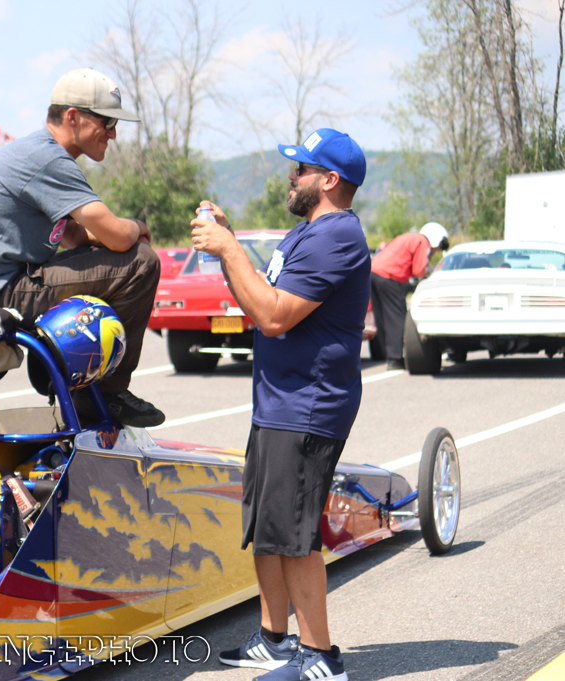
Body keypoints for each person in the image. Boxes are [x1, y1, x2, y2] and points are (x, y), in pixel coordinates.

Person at [192, 128, 371, 681]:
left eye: (301, 169)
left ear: (329, 180)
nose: (291, 176)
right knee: (269, 529)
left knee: (294, 536)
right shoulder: (304, 235)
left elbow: (273, 316)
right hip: (278, 404)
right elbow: (256, 299)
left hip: (308, 408)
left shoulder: (336, 236)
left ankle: (321, 660)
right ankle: (274, 640)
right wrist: (229, 245)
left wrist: (227, 248)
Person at [0, 67, 163, 427]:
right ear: (73, 117)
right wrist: (138, 227)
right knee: (141, 261)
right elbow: (120, 238)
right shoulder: (48, 159)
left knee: (110, 259)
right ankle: (106, 392)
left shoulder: (36, 154)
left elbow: (77, 235)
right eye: (106, 122)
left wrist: (113, 237)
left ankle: (67, 367)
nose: (113, 133)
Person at [371, 222, 449, 369]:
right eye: (436, 248)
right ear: (436, 239)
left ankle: (384, 354)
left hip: (374, 272)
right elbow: (419, 270)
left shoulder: (409, 238)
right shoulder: (422, 242)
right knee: (396, 318)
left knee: (381, 316)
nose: (435, 251)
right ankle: (394, 359)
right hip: (390, 276)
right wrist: (429, 272)